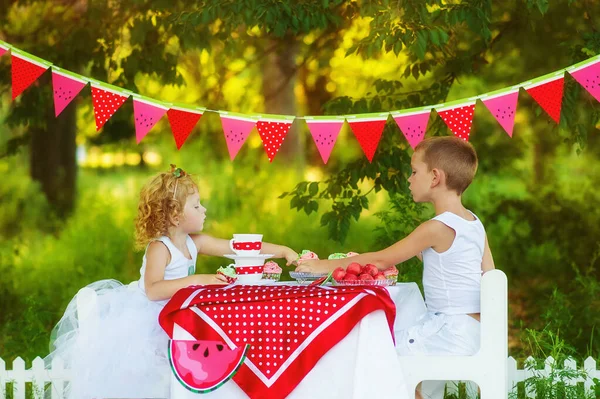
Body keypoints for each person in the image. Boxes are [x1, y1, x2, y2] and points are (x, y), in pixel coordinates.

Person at [45, 164, 298, 399]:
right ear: (176, 215)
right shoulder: (160, 247)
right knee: (151, 378)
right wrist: (198, 280)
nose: (204, 210)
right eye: (197, 206)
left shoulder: (194, 241)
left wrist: (282, 250)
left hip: (175, 312)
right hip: (150, 317)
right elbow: (153, 290)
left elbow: (239, 247)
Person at [296, 136, 495, 399]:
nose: (409, 179)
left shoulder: (436, 228)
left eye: (414, 172)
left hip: (450, 334)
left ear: (435, 177)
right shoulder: (474, 223)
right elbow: (488, 276)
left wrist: (323, 265)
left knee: (377, 358)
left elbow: (380, 260)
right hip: (473, 332)